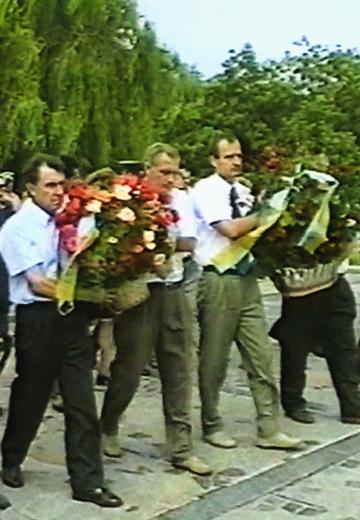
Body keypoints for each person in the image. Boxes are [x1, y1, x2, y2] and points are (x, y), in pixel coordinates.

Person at [0, 154, 122, 508]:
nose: (58, 192)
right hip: (38, 320)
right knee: (32, 395)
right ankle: (11, 457)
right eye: (50, 185)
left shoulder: (70, 220)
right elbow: (37, 283)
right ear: (30, 188)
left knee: (81, 400)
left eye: (61, 185)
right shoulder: (16, 228)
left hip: (71, 320)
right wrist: (87, 294)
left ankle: (88, 481)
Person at [101, 143, 212, 476]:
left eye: (175, 172)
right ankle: (108, 424)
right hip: (140, 292)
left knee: (179, 366)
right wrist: (144, 245)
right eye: (164, 171)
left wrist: (156, 242)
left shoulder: (182, 200)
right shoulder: (129, 201)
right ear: (146, 170)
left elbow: (190, 242)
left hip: (174, 287)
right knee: (130, 367)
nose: (170, 178)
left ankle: (181, 446)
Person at [191, 133, 302, 450]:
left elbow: (258, 232)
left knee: (260, 355)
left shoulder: (244, 191)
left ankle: (269, 427)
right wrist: (267, 213)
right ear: (214, 160)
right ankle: (211, 423)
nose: (236, 162)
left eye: (238, 156)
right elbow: (230, 229)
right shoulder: (206, 190)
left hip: (246, 276)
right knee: (215, 356)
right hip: (218, 277)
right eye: (228, 157)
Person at [270, 266, 360, 424]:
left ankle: (352, 406)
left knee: (344, 351)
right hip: (300, 293)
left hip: (334, 285)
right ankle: (293, 403)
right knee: (295, 352)